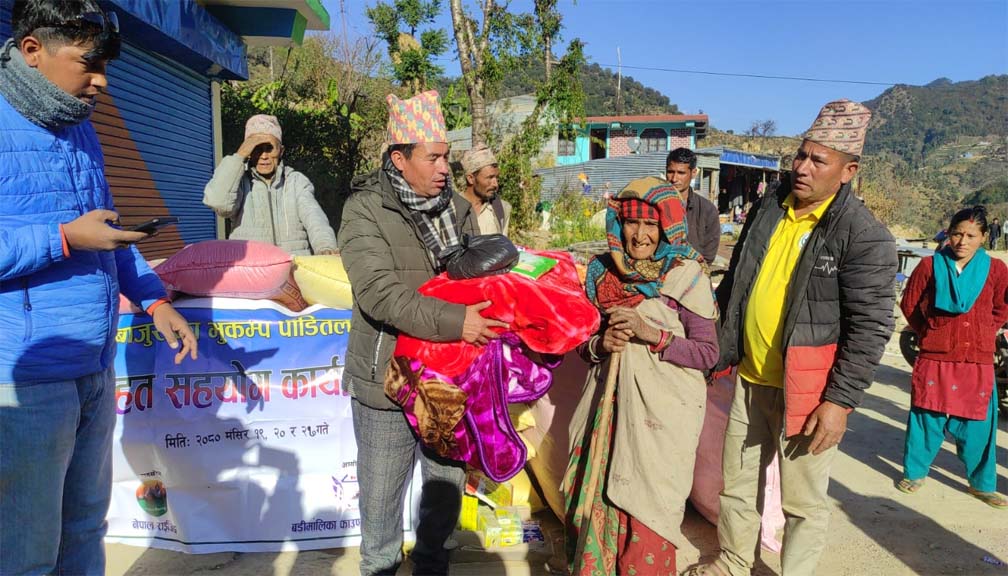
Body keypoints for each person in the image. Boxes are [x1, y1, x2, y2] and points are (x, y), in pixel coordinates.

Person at [0, 1, 198, 573]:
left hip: (94, 365)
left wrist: (153, 298)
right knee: (27, 545)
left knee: (86, 525)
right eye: (89, 63)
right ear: (33, 50)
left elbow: (107, 231)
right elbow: (82, 234)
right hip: (26, 380)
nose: (103, 81)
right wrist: (63, 238)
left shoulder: (81, 127)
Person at [687, 100, 897, 576]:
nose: (801, 167)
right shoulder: (770, 206)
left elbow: (870, 328)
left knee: (802, 501)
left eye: (818, 160)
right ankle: (734, 561)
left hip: (809, 391)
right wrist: (717, 348)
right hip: (750, 378)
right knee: (737, 484)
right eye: (801, 155)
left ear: (848, 171)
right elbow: (737, 282)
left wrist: (839, 402)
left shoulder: (863, 235)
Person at [337, 90, 508, 576]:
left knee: (443, 501)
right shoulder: (365, 209)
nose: (443, 169)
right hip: (386, 382)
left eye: (446, 157)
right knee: (381, 511)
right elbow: (379, 294)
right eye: (432, 158)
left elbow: (475, 279)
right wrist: (458, 322)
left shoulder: (456, 207)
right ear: (399, 158)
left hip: (449, 379)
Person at [564, 177, 719, 576]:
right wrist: (602, 344)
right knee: (594, 503)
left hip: (660, 423)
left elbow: (707, 353)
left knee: (649, 514)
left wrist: (652, 334)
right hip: (606, 414)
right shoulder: (601, 272)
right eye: (631, 223)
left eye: (651, 225)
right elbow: (581, 343)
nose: (640, 235)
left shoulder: (686, 273)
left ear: (667, 227)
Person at [897, 206, 1008, 509]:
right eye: (957, 234)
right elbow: (910, 303)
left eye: (971, 235)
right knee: (926, 416)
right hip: (936, 355)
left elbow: (1002, 306)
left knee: (979, 423)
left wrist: (984, 331)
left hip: (977, 357)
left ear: (984, 237)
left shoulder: (996, 270)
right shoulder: (930, 266)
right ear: (948, 233)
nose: (962, 241)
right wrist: (931, 332)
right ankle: (915, 473)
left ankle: (981, 485)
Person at [203, 114, 337, 255]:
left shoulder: (296, 181)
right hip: (252, 268)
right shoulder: (239, 182)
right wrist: (239, 156)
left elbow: (314, 218)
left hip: (293, 266)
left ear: (281, 151)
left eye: (269, 148)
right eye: (257, 148)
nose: (264, 156)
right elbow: (218, 203)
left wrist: (325, 247)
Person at [666, 147, 720, 263]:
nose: (674, 179)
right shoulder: (654, 205)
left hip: (694, 269)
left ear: (693, 173)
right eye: (670, 172)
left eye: (681, 173)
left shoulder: (707, 210)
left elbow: (708, 255)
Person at [459, 144, 510, 235]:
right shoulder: (452, 208)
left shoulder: (501, 209)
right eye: (489, 178)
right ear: (471, 179)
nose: (495, 184)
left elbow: (502, 242)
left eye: (496, 178)